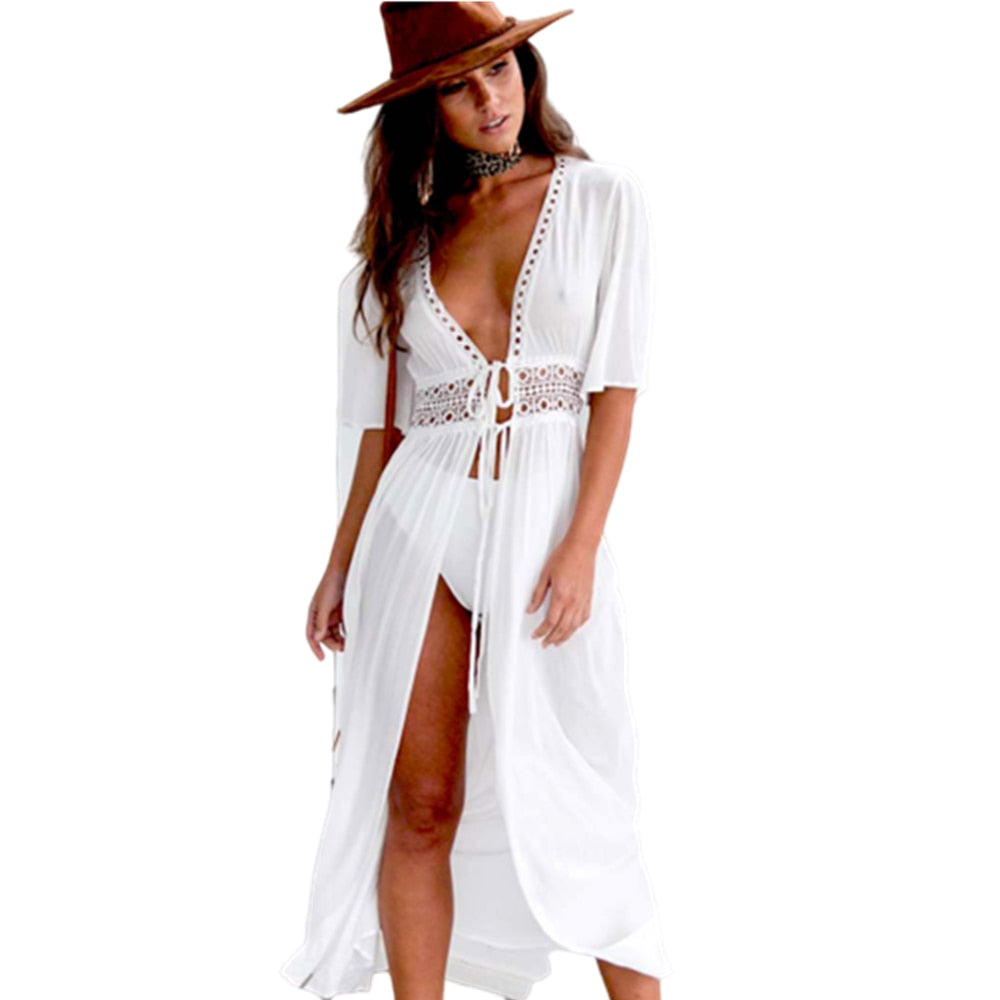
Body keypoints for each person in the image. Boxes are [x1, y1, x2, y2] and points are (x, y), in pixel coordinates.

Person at [281, 4, 673, 998]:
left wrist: (580, 544)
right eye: (458, 86)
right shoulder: (397, 250)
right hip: (417, 526)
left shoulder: (600, 200)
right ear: (425, 109)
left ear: (527, 70)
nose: (489, 99)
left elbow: (616, 391)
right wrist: (338, 565)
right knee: (418, 804)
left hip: (545, 521)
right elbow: (381, 432)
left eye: (500, 69)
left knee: (583, 802)